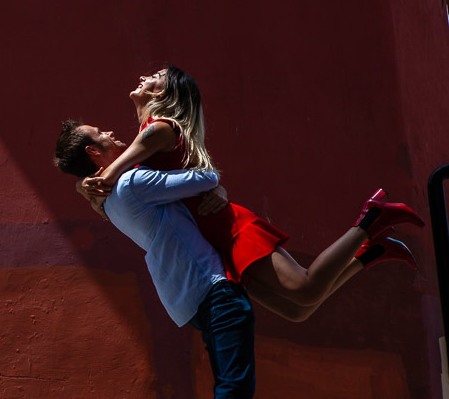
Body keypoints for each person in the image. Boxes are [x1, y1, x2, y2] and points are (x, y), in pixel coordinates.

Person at [79, 65, 424, 322]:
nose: (144, 76)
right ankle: (372, 251)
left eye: (155, 75)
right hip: (214, 240)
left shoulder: (159, 129)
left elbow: (119, 174)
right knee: (296, 311)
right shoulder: (149, 135)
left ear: (163, 94)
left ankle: (372, 217)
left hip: (228, 228)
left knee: (305, 288)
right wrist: (91, 185)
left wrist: (96, 179)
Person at [54, 121, 254, 399]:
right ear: (93, 152)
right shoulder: (133, 182)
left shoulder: (108, 201)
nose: (112, 134)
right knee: (235, 385)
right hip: (211, 285)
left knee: (230, 384)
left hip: (187, 295)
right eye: (101, 134)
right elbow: (206, 177)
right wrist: (215, 188)